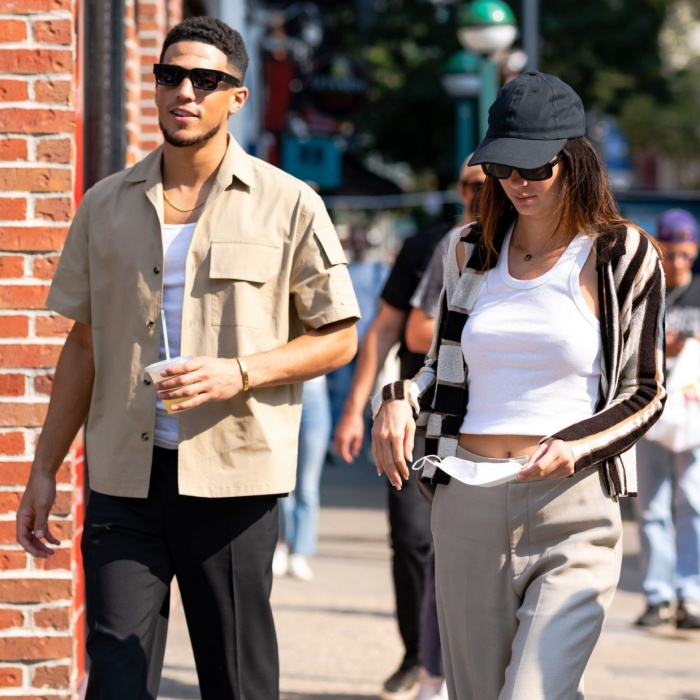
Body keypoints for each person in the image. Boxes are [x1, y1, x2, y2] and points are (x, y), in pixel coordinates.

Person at [16, 16, 359, 700]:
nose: (185, 92)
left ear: (237, 95)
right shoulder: (104, 205)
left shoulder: (288, 205)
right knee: (114, 676)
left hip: (233, 480)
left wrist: (238, 372)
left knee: (236, 680)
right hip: (124, 479)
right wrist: (43, 470)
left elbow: (339, 337)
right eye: (171, 75)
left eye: (207, 80)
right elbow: (82, 344)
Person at [372, 71, 666, 700]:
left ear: (575, 159)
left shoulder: (622, 254)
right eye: (503, 166)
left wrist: (577, 445)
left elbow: (645, 391)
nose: (517, 182)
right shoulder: (467, 251)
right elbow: (438, 369)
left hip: (574, 505)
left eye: (536, 167)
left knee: (532, 692)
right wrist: (396, 399)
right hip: (468, 502)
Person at [334, 157, 484, 700]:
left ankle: (450, 667)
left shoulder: (515, 251)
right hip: (415, 414)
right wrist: (356, 408)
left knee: (464, 547)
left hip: (479, 424)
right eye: (468, 184)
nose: (477, 193)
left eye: (487, 183)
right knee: (412, 540)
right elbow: (391, 329)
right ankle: (417, 656)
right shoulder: (431, 246)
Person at [634, 208, 700, 630]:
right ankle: (658, 595)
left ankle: (690, 594)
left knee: (693, 504)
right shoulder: (647, 290)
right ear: (660, 247)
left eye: (684, 254)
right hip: (649, 408)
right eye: (670, 253)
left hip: (693, 414)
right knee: (652, 506)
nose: (677, 262)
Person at [274, 375, 332, 581]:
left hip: (314, 391)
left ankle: (300, 551)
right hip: (280, 388)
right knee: (282, 481)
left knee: (308, 485)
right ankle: (281, 543)